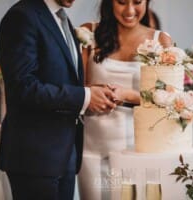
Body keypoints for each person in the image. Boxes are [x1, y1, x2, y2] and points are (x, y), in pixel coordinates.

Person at [0, 0, 117, 199]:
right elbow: (23, 88)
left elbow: (58, 78)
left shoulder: (61, 18)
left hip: (64, 153)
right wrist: (84, 97)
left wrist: (90, 91)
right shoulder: (22, 17)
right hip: (35, 156)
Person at [77, 0, 173, 199]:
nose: (129, 10)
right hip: (92, 148)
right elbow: (75, 86)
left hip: (137, 149)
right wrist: (96, 91)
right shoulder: (89, 32)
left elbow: (170, 100)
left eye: (137, 2)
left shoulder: (161, 40)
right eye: (121, 2)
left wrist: (127, 95)